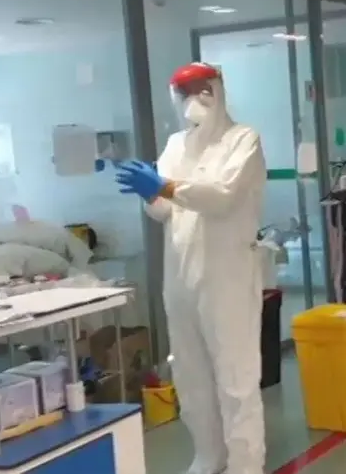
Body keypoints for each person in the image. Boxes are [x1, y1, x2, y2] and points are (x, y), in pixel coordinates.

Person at [111, 63, 268, 474]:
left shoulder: (242, 140)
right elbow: (165, 211)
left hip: (227, 275)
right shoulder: (176, 145)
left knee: (235, 377)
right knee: (190, 372)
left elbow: (222, 198)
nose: (193, 98)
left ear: (217, 89)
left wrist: (164, 186)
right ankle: (209, 455)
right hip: (180, 275)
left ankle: (245, 464)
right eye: (183, 92)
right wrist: (149, 194)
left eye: (201, 88)